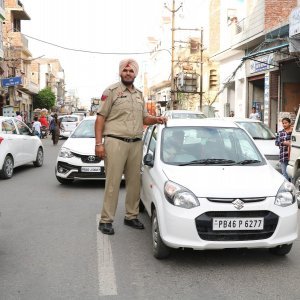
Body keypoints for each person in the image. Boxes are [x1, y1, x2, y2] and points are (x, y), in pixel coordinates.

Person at [95, 58, 167, 235]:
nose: (128, 73)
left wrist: (156, 119)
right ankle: (106, 220)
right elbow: (100, 118)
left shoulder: (139, 95)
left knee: (135, 183)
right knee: (112, 183)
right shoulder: (111, 91)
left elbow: (144, 118)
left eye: (131, 71)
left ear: (136, 74)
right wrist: (99, 144)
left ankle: (131, 216)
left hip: (136, 143)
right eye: (125, 71)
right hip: (115, 141)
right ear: (120, 73)